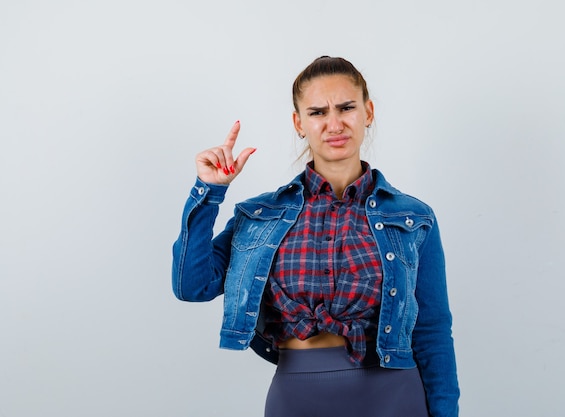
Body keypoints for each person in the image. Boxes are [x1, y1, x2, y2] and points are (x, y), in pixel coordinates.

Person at [172, 56, 460, 417]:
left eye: (346, 108)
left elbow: (432, 331)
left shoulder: (413, 218)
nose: (334, 123)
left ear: (368, 113)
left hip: (394, 398)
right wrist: (209, 191)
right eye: (318, 112)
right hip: (296, 400)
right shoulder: (261, 216)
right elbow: (191, 286)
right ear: (299, 122)